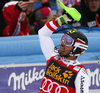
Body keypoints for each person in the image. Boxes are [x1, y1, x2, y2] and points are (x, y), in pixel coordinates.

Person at [38, 8, 89, 93]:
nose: (62, 43)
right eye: (63, 38)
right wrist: (62, 20)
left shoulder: (80, 72)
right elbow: (43, 33)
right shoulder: (53, 56)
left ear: (76, 49)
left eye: (68, 41)